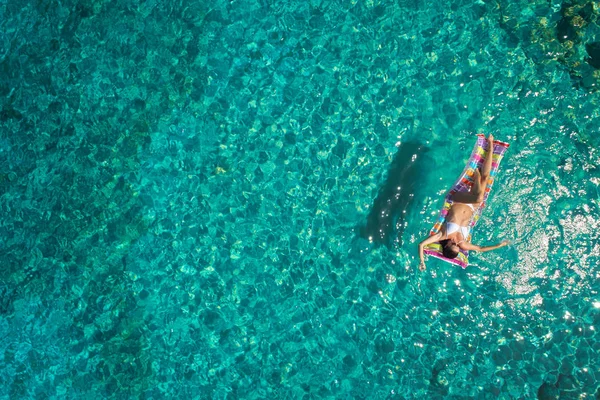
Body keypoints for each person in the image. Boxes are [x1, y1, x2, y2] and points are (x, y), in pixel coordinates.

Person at [418, 134, 509, 271]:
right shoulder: (464, 244)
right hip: (473, 206)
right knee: (486, 178)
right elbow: (480, 248)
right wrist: (499, 245)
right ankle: (490, 147)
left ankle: (476, 175)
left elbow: (421, 245)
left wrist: (422, 262)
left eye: (453, 244)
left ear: (447, 246)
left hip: (457, 199)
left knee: (479, 196)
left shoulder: (442, 235)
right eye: (457, 246)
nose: (456, 242)